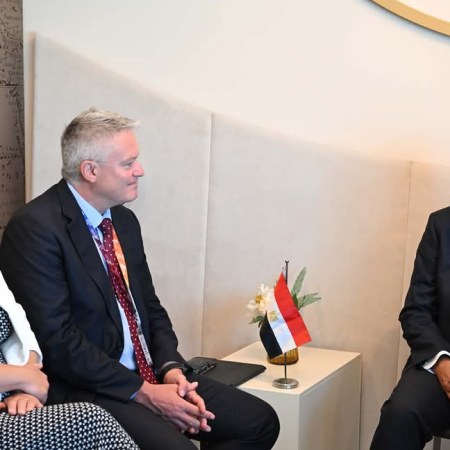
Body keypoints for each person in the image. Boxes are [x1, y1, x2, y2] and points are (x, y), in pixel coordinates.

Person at [0, 107, 280, 450]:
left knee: (259, 423)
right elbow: (59, 342)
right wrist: (144, 393)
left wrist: (172, 371)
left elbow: (149, 308)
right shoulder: (35, 228)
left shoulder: (123, 221)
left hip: (151, 374)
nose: (140, 170)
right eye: (128, 163)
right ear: (90, 170)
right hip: (91, 388)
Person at [0, 270, 139, 449]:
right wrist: (24, 378)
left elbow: (20, 328)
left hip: (11, 401)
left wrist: (21, 391)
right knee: (90, 423)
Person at [371, 208, 450, 449]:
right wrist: (441, 361)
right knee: (401, 414)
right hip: (443, 358)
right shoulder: (441, 224)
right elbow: (416, 311)